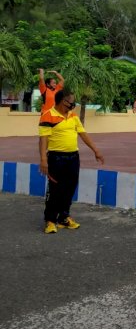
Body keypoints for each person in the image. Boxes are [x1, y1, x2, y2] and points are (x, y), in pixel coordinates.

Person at [38, 90, 104, 234]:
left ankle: (64, 217)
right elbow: (43, 139)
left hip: (73, 157)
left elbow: (83, 134)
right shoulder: (48, 115)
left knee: (69, 188)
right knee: (55, 190)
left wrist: (96, 150)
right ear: (63, 101)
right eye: (71, 101)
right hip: (56, 158)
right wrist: (43, 159)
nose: (73, 104)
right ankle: (50, 220)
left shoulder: (73, 116)